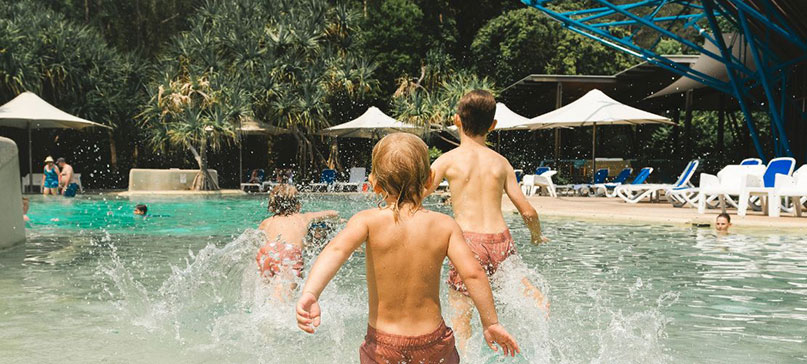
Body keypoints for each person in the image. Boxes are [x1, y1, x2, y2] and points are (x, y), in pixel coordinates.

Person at [296, 133, 520, 363]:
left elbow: (335, 252)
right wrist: (491, 322)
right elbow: (473, 274)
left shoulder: (366, 221)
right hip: (434, 342)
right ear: (429, 178)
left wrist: (311, 293)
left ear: (374, 184)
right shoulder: (445, 225)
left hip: (383, 345)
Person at [427, 90, 549, 351]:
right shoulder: (502, 163)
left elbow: (418, 194)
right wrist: (536, 235)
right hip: (501, 240)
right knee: (526, 293)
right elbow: (528, 212)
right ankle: (543, 335)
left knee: (462, 321)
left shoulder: (447, 160)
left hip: (467, 244)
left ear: (456, 120)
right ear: (493, 126)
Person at [257, 184, 339, 298]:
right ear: (297, 205)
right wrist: (338, 220)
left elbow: (259, 241)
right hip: (289, 252)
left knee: (267, 290)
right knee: (285, 296)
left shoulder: (266, 222)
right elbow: (333, 213)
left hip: (266, 252)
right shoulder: (303, 217)